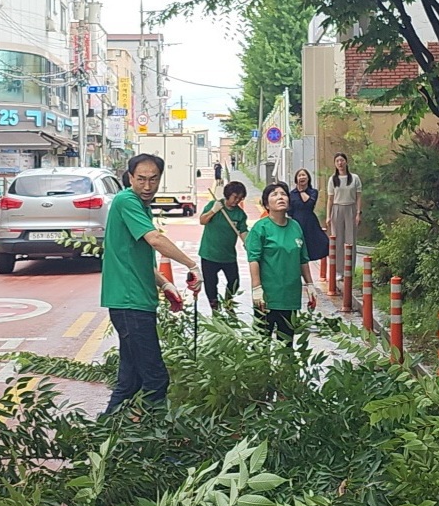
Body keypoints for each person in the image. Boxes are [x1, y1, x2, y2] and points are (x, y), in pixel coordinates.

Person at [101, 153, 202, 414]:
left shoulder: (140, 206)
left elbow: (134, 257)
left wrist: (164, 284)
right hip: (130, 303)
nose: (147, 186)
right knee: (155, 379)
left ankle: (106, 431)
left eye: (153, 179)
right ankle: (155, 433)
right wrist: (191, 265)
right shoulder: (127, 200)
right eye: (141, 179)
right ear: (130, 178)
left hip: (135, 302)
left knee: (130, 381)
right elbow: (155, 240)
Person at [245, 181, 320, 345]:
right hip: (267, 297)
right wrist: (256, 288)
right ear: (266, 204)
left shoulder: (295, 227)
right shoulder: (261, 228)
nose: (280, 197)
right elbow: (253, 259)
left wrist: (310, 285)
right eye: (274, 194)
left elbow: (303, 259)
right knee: (261, 345)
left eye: (283, 194)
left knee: (286, 345)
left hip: (290, 297)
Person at [197, 180, 249, 315]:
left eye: (240, 198)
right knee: (210, 284)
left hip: (228, 256)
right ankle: (215, 308)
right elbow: (202, 220)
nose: (237, 201)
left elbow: (243, 231)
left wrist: (248, 243)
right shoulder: (214, 205)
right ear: (228, 195)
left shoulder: (240, 214)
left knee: (234, 282)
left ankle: (228, 303)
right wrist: (213, 211)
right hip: (209, 254)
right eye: (235, 197)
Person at [288, 167, 330, 273]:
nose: (301, 177)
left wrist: (302, 191)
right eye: (299, 175)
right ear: (296, 179)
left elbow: (309, 204)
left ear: (308, 178)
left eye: (304, 175)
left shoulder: (313, 192)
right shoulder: (291, 194)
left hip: (310, 222)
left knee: (322, 243)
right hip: (296, 222)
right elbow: (289, 211)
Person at [327, 153, 362, 271]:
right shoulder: (332, 179)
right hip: (337, 209)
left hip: (351, 208)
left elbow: (358, 197)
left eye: (342, 160)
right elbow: (330, 199)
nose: (340, 163)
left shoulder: (355, 178)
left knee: (350, 240)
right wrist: (328, 216)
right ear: (335, 164)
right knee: (338, 240)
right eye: (337, 161)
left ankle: (350, 269)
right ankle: (339, 270)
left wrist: (358, 213)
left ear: (346, 162)